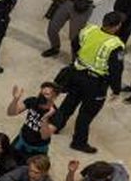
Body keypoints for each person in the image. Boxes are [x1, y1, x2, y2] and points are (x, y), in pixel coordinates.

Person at [52, 11, 126, 154]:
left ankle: (55, 126)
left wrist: (81, 59)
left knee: (69, 102)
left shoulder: (89, 29)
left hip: (77, 73)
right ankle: (78, 142)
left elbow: (74, 43)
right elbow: (116, 70)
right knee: (86, 114)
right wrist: (116, 90)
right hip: (95, 84)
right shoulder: (116, 45)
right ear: (117, 26)